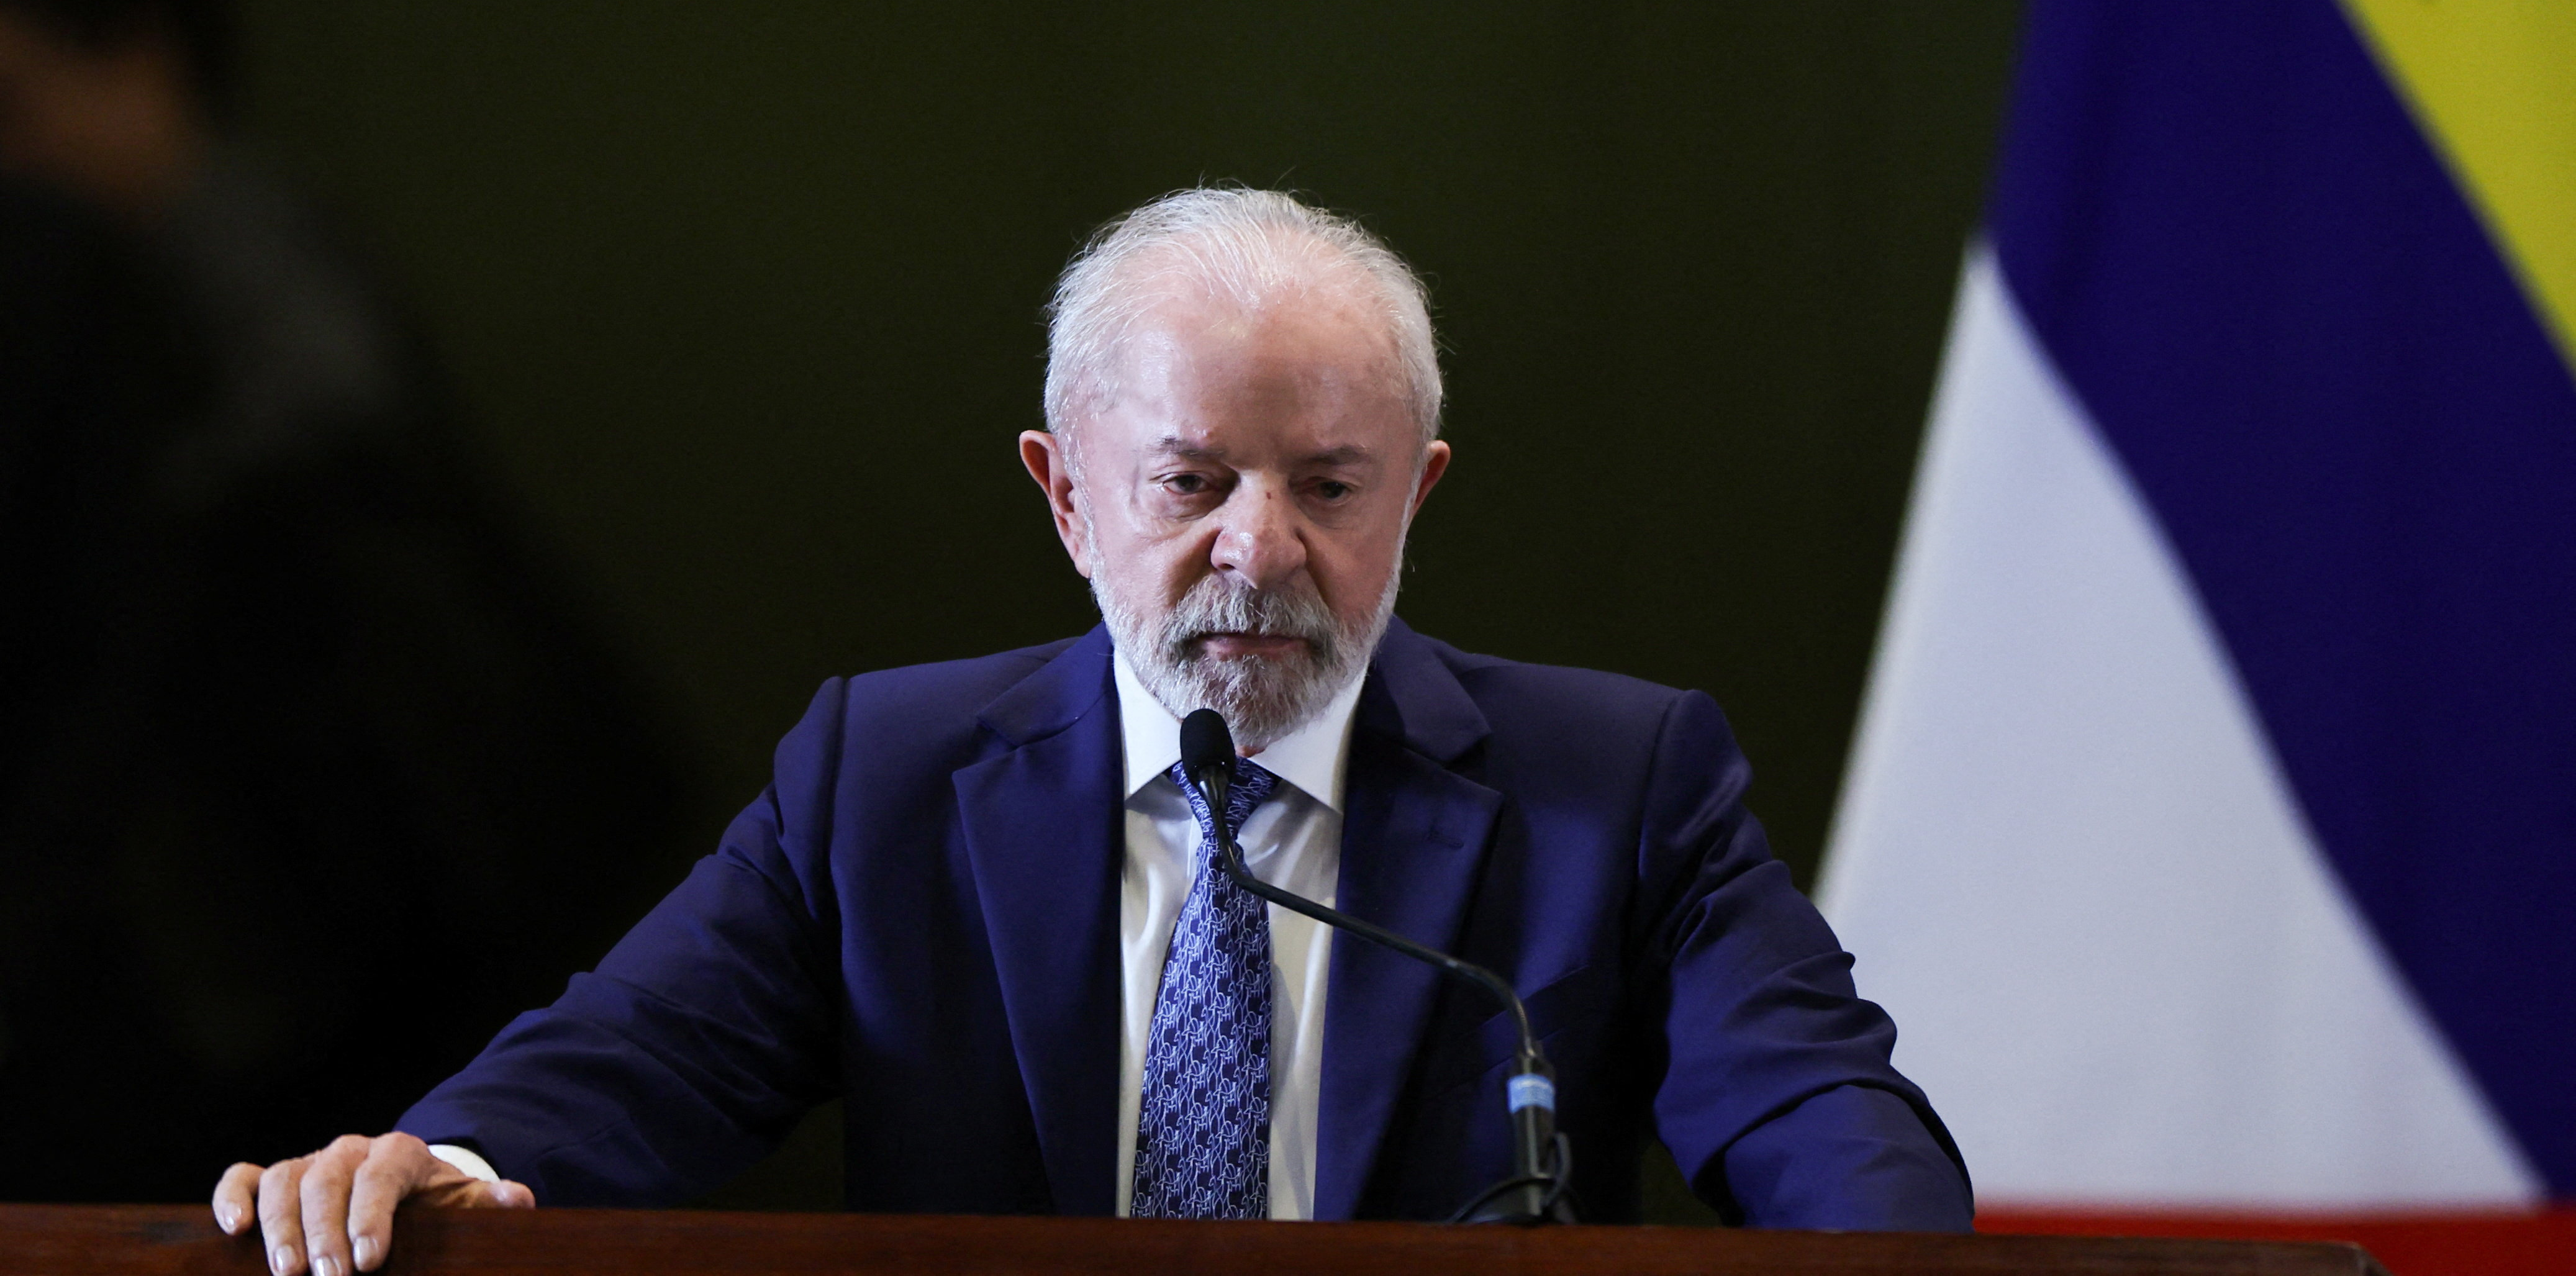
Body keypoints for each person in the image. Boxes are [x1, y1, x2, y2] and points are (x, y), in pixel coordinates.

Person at [214, 188, 1972, 1274]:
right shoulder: (883, 777)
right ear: (1067, 497)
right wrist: (434, 1162)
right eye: (1191, 480)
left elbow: (1821, 1115)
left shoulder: (1622, 786)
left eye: (1328, 484)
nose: (1258, 547)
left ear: (1415, 496)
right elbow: (640, 1057)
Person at [0, 0, 688, 1203]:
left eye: (16, 102)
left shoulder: (214, 251)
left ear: (139, 61)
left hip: (398, 911)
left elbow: (331, 437)